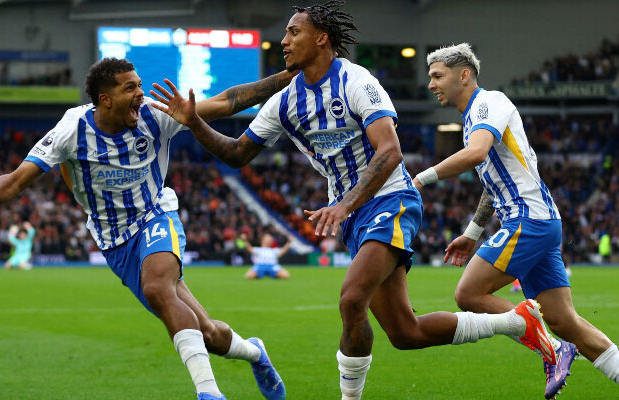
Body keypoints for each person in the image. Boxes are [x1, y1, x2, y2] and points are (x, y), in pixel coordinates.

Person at [150, 2, 559, 398]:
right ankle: (513, 321)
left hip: (391, 199)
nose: (284, 41)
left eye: (294, 32)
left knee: (350, 299)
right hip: (352, 217)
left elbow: (390, 151)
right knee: (405, 333)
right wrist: (195, 124)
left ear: (321, 38)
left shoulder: (357, 82)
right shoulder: (285, 101)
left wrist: (345, 204)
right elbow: (238, 154)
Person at [0, 58, 294, 400]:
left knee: (158, 287)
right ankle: (255, 353)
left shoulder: (155, 114)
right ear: (105, 100)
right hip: (115, 240)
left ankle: (208, 393)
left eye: (140, 86)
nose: (140, 94)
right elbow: (16, 181)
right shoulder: (72, 129)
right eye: (130, 88)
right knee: (206, 333)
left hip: (156, 213)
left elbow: (225, 101)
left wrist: (287, 76)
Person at [415, 43, 619, 400]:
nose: (431, 84)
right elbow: (490, 184)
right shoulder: (474, 118)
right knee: (565, 319)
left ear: (464, 74)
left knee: (469, 293)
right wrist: (472, 232)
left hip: (527, 219)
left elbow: (476, 154)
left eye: (437, 75)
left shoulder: (489, 102)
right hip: (539, 221)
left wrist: (420, 179)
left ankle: (552, 348)